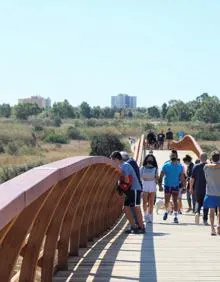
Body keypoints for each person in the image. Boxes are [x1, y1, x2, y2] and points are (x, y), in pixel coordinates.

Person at [110, 151, 145, 234]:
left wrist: (119, 182)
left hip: (135, 189)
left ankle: (141, 227)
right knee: (125, 208)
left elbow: (127, 179)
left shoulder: (125, 166)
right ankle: (134, 226)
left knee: (136, 207)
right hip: (129, 190)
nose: (112, 162)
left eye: (112, 160)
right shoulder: (121, 166)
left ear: (117, 159)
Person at [158, 150, 186, 223]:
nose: (173, 156)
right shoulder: (166, 165)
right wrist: (160, 186)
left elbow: (182, 178)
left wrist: (184, 187)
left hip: (175, 186)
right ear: (170, 156)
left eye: (174, 155)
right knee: (166, 201)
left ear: (177, 156)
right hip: (167, 186)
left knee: (175, 201)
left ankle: (175, 216)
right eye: (172, 155)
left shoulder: (179, 166)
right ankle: (167, 212)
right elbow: (161, 176)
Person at [203, 151, 220, 236]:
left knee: (212, 211)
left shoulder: (206, 167)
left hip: (210, 193)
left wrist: (209, 163)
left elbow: (208, 165)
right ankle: (219, 226)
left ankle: (212, 228)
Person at [190, 153, 208, 225]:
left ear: (200, 158)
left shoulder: (196, 167)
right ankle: (205, 220)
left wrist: (191, 188)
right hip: (207, 188)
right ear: (206, 158)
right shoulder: (209, 166)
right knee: (206, 203)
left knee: (198, 201)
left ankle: (197, 212)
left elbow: (192, 179)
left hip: (197, 188)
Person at [140, 154, 158, 223]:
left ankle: (150, 216)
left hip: (152, 184)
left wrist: (158, 183)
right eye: (149, 159)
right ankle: (145, 215)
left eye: (151, 159)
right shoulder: (142, 168)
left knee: (151, 202)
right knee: (144, 201)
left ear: (153, 160)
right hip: (145, 184)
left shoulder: (155, 168)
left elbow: (156, 177)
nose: (150, 160)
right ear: (146, 159)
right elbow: (139, 176)